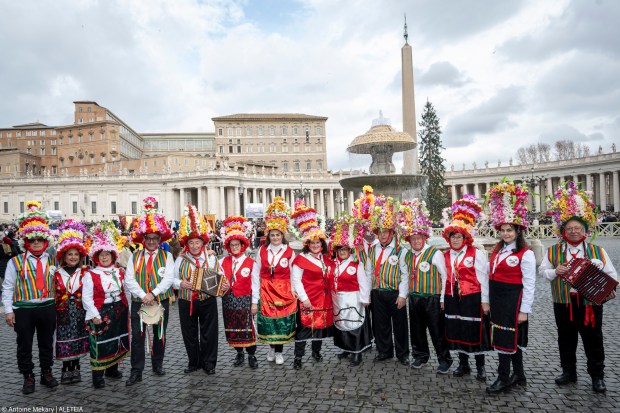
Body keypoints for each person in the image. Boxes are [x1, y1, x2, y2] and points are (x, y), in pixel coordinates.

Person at [539, 181, 617, 393]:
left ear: (585, 230)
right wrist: (556, 272)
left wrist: (609, 291)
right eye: (569, 228)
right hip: (563, 303)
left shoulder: (597, 250)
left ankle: (597, 376)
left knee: (594, 340)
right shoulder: (553, 251)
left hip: (589, 304)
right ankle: (569, 371)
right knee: (565, 338)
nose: (573, 231)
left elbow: (612, 275)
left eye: (577, 228)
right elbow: (543, 273)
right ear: (563, 230)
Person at [2, 201, 59, 394]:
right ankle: (27, 375)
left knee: (46, 342)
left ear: (45, 242)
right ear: (26, 242)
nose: (36, 242)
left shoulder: (53, 260)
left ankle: (46, 372)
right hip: (24, 309)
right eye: (32, 239)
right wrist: (9, 310)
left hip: (47, 307)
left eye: (39, 240)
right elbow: (8, 287)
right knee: (24, 344)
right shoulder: (15, 262)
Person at [485, 181, 536, 393]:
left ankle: (504, 377)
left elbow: (530, 284)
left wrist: (524, 310)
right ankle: (519, 374)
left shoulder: (526, 254)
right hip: (498, 300)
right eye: (503, 230)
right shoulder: (498, 250)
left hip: (512, 301)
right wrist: (487, 300)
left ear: (518, 231)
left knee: (506, 337)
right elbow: (491, 276)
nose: (506, 233)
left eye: (510, 230)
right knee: (508, 336)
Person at [124, 197, 175, 386]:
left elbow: (168, 278)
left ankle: (158, 364)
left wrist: (152, 294)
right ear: (143, 239)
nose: (152, 241)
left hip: (159, 301)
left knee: (159, 334)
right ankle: (136, 370)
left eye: (155, 239)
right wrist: (142, 295)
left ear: (159, 240)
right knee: (137, 337)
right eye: (148, 238)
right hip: (139, 302)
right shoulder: (134, 256)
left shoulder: (167, 255)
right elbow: (129, 279)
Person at [398, 199, 452, 374]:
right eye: (413, 239)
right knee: (417, 330)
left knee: (437, 331)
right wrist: (403, 295)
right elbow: (405, 277)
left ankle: (444, 359)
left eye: (418, 238)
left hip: (432, 298)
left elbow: (445, 276)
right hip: (415, 298)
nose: (415, 241)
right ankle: (420, 356)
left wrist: (443, 298)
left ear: (424, 238)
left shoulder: (434, 253)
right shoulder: (407, 255)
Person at [441, 194, 490, 382]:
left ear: (465, 237)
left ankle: (481, 366)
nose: (455, 240)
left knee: (475, 330)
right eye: (452, 236)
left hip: (472, 297)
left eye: (459, 236)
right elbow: (444, 279)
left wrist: (485, 301)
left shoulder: (476, 253)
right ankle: (463, 364)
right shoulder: (446, 256)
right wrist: (443, 300)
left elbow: (483, 278)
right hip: (453, 298)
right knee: (457, 329)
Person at [174, 204, 222, 375]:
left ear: (203, 242)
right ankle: (194, 362)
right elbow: (172, 279)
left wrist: (223, 285)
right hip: (186, 301)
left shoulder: (211, 258)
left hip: (207, 300)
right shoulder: (180, 259)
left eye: (197, 242)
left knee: (209, 332)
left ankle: (209, 363)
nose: (194, 246)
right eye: (191, 243)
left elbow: (220, 276)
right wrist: (180, 284)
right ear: (187, 244)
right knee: (189, 333)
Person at [82, 223, 129, 388]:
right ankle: (98, 375)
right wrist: (95, 314)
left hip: (118, 309)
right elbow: (86, 297)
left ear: (113, 256)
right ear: (96, 257)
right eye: (101, 255)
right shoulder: (91, 275)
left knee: (115, 339)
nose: (104, 257)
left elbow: (127, 289)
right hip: (102, 311)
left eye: (107, 254)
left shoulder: (119, 272)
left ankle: (112, 369)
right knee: (100, 342)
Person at [364, 194, 410, 365]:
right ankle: (384, 351)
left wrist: (403, 295)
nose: (382, 235)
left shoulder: (401, 250)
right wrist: (368, 294)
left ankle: (403, 353)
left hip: (395, 293)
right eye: (380, 232)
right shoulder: (373, 250)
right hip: (378, 292)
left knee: (400, 325)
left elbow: (405, 274)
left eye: (386, 232)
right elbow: (369, 273)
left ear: (392, 232)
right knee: (380, 324)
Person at [251, 196, 296, 365]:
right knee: (269, 322)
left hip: (284, 290)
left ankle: (279, 351)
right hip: (266, 290)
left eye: (278, 235)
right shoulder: (262, 251)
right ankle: (271, 347)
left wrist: (294, 290)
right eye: (273, 235)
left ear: (282, 235)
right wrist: (255, 299)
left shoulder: (289, 251)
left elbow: (293, 274)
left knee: (281, 322)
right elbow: (256, 274)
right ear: (268, 235)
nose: (275, 237)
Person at [290, 199, 334, 369]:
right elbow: (296, 281)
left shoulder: (325, 258)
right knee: (304, 328)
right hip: (309, 299)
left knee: (320, 327)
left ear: (322, 244)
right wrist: (304, 299)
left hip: (324, 300)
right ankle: (298, 357)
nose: (316, 245)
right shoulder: (301, 259)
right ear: (308, 245)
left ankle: (316, 351)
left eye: (318, 243)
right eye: (313, 243)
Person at [328, 216, 372, 366]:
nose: (342, 252)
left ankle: (357, 351)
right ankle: (346, 348)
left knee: (353, 323)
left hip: (352, 298)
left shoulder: (356, 263)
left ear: (349, 250)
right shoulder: (333, 264)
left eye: (345, 249)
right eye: (340, 249)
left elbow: (364, 282)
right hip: (337, 299)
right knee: (341, 323)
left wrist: (365, 299)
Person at [53, 220, 90, 385]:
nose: (73, 257)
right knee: (65, 341)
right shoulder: (56, 273)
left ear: (80, 256)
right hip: (63, 313)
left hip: (80, 311)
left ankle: (76, 369)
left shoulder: (86, 272)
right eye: (70, 255)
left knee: (78, 340)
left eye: (76, 254)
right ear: (64, 256)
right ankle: (65, 370)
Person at [219, 216, 257, 369]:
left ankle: (252, 355)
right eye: (232, 245)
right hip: (228, 300)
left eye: (237, 244)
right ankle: (239, 353)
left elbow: (255, 285)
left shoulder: (251, 263)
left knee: (248, 328)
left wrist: (255, 303)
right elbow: (217, 279)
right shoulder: (222, 262)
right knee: (233, 327)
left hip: (245, 299)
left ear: (243, 245)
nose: (235, 247)